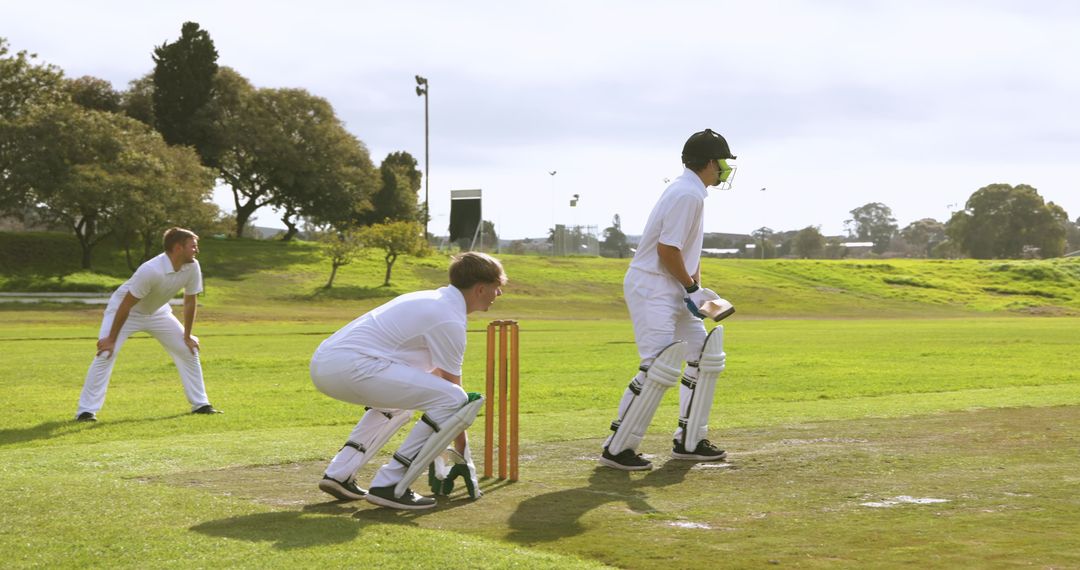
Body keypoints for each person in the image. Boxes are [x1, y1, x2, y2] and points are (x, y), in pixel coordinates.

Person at [310, 252, 506, 510]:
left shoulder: (430, 299)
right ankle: (391, 484)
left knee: (400, 404)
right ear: (481, 288)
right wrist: (463, 451)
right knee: (455, 399)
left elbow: (434, 381)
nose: (499, 295)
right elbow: (453, 394)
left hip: (326, 364)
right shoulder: (448, 317)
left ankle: (340, 474)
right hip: (355, 366)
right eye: (497, 288)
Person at [601, 129, 736, 471]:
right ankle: (617, 447)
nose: (724, 169)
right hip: (654, 286)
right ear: (709, 163)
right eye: (722, 162)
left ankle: (690, 441)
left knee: (705, 357)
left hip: (675, 285)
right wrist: (691, 288)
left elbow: (687, 251)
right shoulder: (686, 194)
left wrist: (699, 290)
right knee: (659, 367)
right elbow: (666, 249)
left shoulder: (693, 193)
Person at [75, 227, 221, 422]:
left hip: (158, 313)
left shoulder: (192, 266)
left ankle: (201, 404)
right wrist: (110, 339)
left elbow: (190, 301)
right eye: (193, 246)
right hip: (125, 311)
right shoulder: (151, 270)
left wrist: (187, 335)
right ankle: (86, 411)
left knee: (189, 350)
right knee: (106, 353)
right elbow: (126, 305)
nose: (197, 250)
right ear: (178, 247)